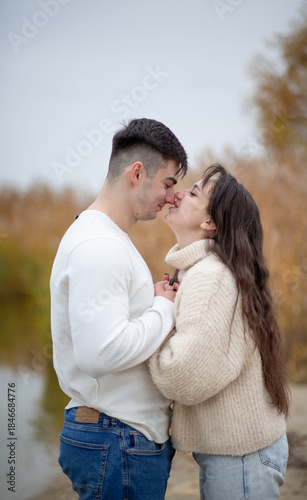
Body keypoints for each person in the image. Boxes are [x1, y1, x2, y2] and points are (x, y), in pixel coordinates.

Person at [50, 118, 188, 499]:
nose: (172, 197)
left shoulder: (106, 238)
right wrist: (163, 309)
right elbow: (101, 352)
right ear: (137, 172)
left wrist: (154, 302)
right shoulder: (100, 245)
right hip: (116, 438)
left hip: (118, 438)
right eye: (168, 183)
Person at [148, 163, 291, 500]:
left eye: (194, 192)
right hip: (242, 457)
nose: (179, 193)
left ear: (209, 222)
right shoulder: (208, 271)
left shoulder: (210, 277)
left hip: (241, 460)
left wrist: (159, 314)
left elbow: (184, 376)